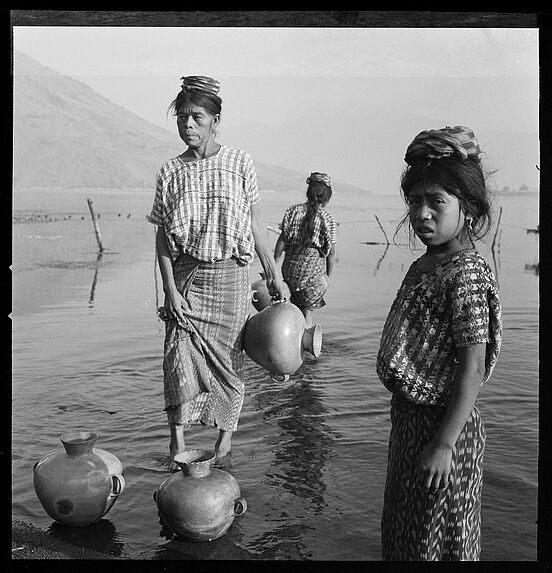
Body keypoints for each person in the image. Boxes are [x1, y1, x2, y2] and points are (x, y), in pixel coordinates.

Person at [376, 126, 502, 561]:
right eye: (415, 201)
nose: (422, 213)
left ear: (467, 208)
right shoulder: (428, 263)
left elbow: (472, 367)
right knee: (406, 538)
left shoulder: (464, 272)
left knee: (436, 540)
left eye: (437, 202)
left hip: (444, 429)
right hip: (412, 425)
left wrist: (445, 444)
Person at [147, 75, 286, 467]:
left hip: (229, 278)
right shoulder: (170, 171)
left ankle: (223, 446)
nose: (187, 124)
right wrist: (169, 291)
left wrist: (274, 273)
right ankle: (178, 447)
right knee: (177, 357)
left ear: (215, 120)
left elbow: (256, 226)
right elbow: (162, 237)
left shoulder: (240, 162)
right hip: (186, 278)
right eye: (182, 117)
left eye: (197, 116)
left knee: (228, 363)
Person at [273, 172, 336, 328]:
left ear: (308, 193)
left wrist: (273, 263)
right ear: (327, 198)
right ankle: (305, 342)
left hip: (289, 271)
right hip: (311, 275)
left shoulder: (292, 211)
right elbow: (332, 253)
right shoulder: (327, 219)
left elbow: (282, 240)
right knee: (307, 312)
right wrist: (327, 276)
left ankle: (290, 337)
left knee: (293, 306)